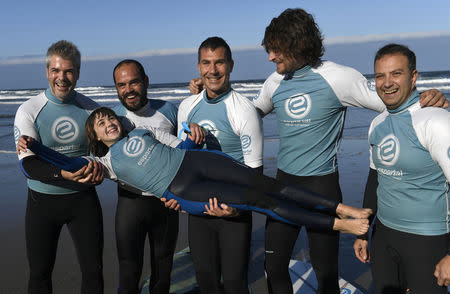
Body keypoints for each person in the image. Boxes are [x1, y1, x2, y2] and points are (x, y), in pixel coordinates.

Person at [190, 8, 448, 294]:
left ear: (296, 43)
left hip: (322, 187)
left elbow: (392, 100)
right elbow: (244, 114)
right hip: (283, 188)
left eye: (275, 49)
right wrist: (206, 92)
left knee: (326, 273)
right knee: (273, 267)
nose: (271, 57)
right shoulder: (275, 83)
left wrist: (431, 99)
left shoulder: (338, 77)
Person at [18, 107, 373, 237]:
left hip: (196, 162)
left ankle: (343, 208)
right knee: (259, 202)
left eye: (109, 116)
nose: (107, 121)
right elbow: (67, 165)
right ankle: (339, 224)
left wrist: (190, 138)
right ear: (94, 135)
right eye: (99, 122)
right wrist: (34, 147)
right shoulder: (106, 165)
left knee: (269, 185)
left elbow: (179, 147)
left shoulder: (141, 131)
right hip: (182, 191)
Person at [352, 44, 450, 294]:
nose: (387, 83)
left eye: (396, 74)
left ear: (414, 76)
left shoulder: (435, 121)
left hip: (427, 240)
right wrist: (363, 232)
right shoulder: (377, 124)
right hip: (384, 237)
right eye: (380, 76)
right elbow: (375, 179)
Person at [13, 40, 104, 294]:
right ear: (47, 71)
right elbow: (28, 165)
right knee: (40, 274)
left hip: (83, 202)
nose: (61, 78)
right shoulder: (29, 110)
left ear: (77, 72)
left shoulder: (91, 109)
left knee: (93, 272)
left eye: (68, 71)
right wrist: (64, 175)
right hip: (43, 204)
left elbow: (110, 149)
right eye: (56, 70)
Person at [177, 36, 263, 294]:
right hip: (199, 209)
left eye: (219, 63)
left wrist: (237, 210)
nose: (213, 71)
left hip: (232, 211)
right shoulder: (186, 107)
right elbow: (182, 161)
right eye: (206, 63)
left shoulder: (244, 110)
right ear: (198, 66)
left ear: (231, 65)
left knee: (236, 286)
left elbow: (254, 173)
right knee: (207, 283)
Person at [111, 59, 204, 294]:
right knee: (129, 276)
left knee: (162, 273)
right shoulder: (113, 119)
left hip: (166, 203)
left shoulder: (169, 111)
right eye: (122, 85)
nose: (129, 89)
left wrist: (201, 90)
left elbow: (191, 138)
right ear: (116, 88)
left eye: (134, 82)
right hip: (130, 204)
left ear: (146, 82)